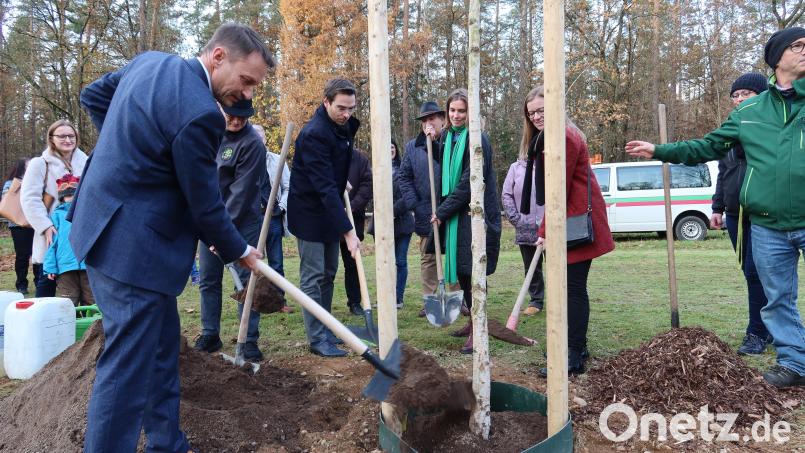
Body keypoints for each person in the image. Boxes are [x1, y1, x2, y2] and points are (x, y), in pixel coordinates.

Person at [71, 23, 272, 452]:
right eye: (247, 81)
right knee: (125, 370)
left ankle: (168, 444)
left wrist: (130, 152)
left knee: (162, 354)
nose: (249, 94)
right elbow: (204, 206)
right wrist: (241, 251)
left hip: (104, 228)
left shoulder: (150, 63)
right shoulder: (200, 113)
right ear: (218, 57)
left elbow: (93, 95)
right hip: (133, 254)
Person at [626, 27, 805, 388]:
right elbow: (706, 147)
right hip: (767, 225)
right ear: (777, 58)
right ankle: (795, 363)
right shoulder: (750, 110)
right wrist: (660, 151)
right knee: (776, 298)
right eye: (798, 46)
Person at [524, 86, 615, 376]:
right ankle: (573, 346)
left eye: (541, 110)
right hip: (567, 221)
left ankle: (573, 355)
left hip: (573, 223)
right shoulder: (550, 136)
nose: (537, 117)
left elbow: (557, 190)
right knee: (567, 288)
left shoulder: (562, 136)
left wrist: (545, 229)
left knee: (571, 289)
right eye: (531, 113)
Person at [287, 78, 360, 358]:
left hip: (329, 208)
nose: (347, 114)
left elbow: (333, 173)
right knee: (313, 276)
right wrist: (349, 231)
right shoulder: (314, 134)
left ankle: (326, 327)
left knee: (329, 273)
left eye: (351, 108)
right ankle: (317, 339)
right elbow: (323, 187)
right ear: (326, 102)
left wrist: (342, 182)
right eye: (341, 108)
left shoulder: (342, 127)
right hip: (309, 214)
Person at [429, 88, 502, 354]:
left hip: (475, 214)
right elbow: (443, 167)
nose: (457, 115)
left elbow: (468, 183)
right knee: (461, 271)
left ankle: (479, 328)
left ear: (471, 112)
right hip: (456, 219)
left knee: (474, 273)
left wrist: (443, 210)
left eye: (462, 110)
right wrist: (432, 138)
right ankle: (473, 322)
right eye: (452, 110)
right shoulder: (448, 137)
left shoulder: (477, 139)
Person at [194, 98, 266, 361]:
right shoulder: (210, 134)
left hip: (241, 222)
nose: (235, 121)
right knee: (209, 280)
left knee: (248, 282)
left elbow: (241, 193)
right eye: (230, 115)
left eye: (242, 117)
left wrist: (221, 232)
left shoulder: (252, 144)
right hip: (210, 219)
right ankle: (210, 334)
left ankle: (248, 340)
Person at [710, 72, 771, 356]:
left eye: (746, 93)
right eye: (735, 95)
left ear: (762, 95)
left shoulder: (769, 126)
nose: (739, 99)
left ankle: (757, 333)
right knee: (752, 274)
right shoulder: (731, 129)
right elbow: (724, 173)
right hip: (735, 215)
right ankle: (766, 328)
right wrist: (718, 208)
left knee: (757, 272)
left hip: (762, 212)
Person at [21, 119, 88, 298]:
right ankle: (43, 324)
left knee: (87, 288)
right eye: (62, 136)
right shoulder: (40, 163)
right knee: (48, 282)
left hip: (82, 230)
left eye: (71, 135)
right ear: (52, 138)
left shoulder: (86, 162)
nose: (67, 139)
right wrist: (45, 226)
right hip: (54, 230)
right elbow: (29, 198)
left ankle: (84, 325)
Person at [398, 101, 446, 317]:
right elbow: (404, 177)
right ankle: (429, 299)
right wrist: (414, 203)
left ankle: (457, 297)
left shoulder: (451, 142)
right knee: (428, 256)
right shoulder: (412, 147)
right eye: (425, 120)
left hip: (449, 207)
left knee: (453, 254)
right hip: (425, 209)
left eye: (432, 119)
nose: (428, 123)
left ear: (442, 120)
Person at [501, 126, 546, 316]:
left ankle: (561, 299)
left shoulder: (550, 164)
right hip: (525, 226)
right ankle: (536, 300)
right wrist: (517, 219)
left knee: (556, 265)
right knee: (531, 267)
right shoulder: (516, 168)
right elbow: (506, 194)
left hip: (551, 225)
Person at [253, 124, 294, 314]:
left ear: (265, 139)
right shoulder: (244, 160)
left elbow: (288, 186)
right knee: (252, 263)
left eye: (259, 137)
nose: (257, 141)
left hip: (273, 218)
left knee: (276, 263)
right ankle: (254, 302)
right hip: (252, 219)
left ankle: (279, 302)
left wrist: (281, 207)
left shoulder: (277, 160)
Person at [42, 175, 93, 306]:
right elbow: (51, 244)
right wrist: (50, 267)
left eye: (73, 195)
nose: (70, 199)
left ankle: (92, 326)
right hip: (65, 267)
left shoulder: (87, 212)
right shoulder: (56, 216)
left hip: (87, 265)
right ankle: (69, 325)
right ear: (62, 198)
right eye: (67, 196)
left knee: (91, 300)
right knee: (69, 301)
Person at [340, 147, 373, 316]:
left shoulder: (360, 160)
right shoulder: (327, 154)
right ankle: (322, 306)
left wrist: (351, 208)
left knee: (353, 263)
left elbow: (368, 185)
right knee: (326, 267)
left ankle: (355, 302)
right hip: (329, 218)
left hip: (353, 219)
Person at [3, 158, 34, 294]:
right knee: (22, 255)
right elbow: (7, 202)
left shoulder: (37, 182)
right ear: (22, 168)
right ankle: (21, 284)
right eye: (29, 166)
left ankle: (39, 280)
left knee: (38, 254)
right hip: (18, 225)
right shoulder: (11, 183)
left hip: (35, 223)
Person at [390, 139, 414, 309]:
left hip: (403, 222)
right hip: (384, 226)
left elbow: (408, 195)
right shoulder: (376, 171)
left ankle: (398, 298)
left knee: (400, 261)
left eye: (392, 147)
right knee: (384, 263)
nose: (390, 150)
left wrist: (392, 211)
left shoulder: (403, 170)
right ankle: (386, 297)